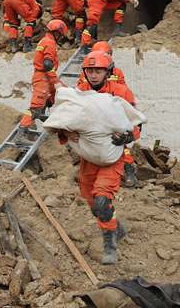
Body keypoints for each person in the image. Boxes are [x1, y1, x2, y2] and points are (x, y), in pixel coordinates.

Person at [58, 51, 140, 265]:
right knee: (93, 203)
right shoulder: (80, 94)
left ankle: (109, 246)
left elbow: (136, 122)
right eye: (90, 71)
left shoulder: (120, 92)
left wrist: (129, 136)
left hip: (112, 157)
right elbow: (64, 117)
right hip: (89, 157)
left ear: (108, 72)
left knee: (102, 200)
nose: (94, 75)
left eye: (98, 71)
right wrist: (66, 132)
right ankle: (117, 228)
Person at [90, 41, 137, 187]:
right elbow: (82, 91)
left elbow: (122, 92)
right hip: (95, 112)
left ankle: (128, 169)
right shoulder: (88, 73)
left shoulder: (117, 73)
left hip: (112, 112)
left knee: (119, 141)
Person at [19, 20, 68, 130]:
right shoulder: (50, 43)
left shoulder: (44, 40)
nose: (61, 38)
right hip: (43, 78)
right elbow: (47, 64)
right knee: (35, 108)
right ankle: (22, 130)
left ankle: (44, 110)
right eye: (61, 35)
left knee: (62, 93)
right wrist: (55, 81)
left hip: (45, 77)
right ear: (57, 33)